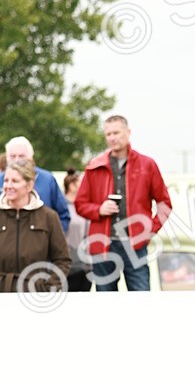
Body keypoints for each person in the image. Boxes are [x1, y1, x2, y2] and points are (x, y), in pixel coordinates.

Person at [75, 115, 172, 291]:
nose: (112, 137)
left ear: (128, 133)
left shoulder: (147, 165)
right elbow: (80, 204)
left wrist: (148, 231)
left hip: (135, 245)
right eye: (108, 134)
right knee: (106, 305)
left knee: (140, 300)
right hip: (103, 246)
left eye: (116, 132)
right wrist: (99, 209)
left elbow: (164, 204)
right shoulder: (93, 166)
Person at [0, 158, 71, 293]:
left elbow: (62, 260)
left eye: (15, 181)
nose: (8, 186)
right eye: (6, 180)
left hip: (35, 297)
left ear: (29, 185)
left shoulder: (48, 217)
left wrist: (48, 288)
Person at [0, 136, 71, 234]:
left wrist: (53, 238)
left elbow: (63, 215)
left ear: (31, 158)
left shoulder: (48, 180)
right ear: (7, 158)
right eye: (13, 156)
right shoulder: (1, 180)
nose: (17, 160)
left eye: (21, 156)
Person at [63, 169, 92, 291]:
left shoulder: (87, 205)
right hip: (69, 263)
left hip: (87, 263)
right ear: (71, 185)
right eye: (81, 182)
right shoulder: (63, 207)